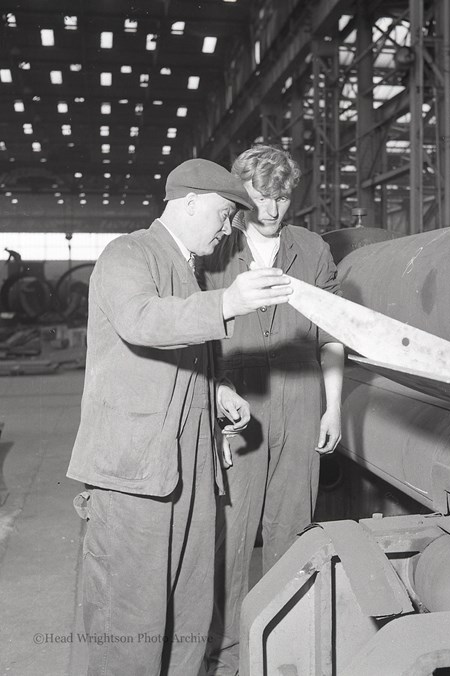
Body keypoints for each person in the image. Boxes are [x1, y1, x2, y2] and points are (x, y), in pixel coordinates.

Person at [66, 158, 293, 676]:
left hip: (191, 470)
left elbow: (179, 355)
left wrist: (217, 390)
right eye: (222, 213)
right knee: (130, 620)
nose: (228, 227)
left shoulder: (188, 269)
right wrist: (229, 302)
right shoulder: (128, 254)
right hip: (135, 474)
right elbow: (141, 321)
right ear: (188, 203)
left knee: (190, 610)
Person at [202, 145, 345, 676]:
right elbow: (199, 336)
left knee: (291, 528)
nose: (273, 208)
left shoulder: (311, 249)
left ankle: (282, 649)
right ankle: (231, 655)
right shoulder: (217, 248)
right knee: (233, 535)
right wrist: (212, 403)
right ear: (243, 194)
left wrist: (334, 408)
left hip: (303, 397)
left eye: (283, 197)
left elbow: (331, 333)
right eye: (262, 196)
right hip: (238, 402)